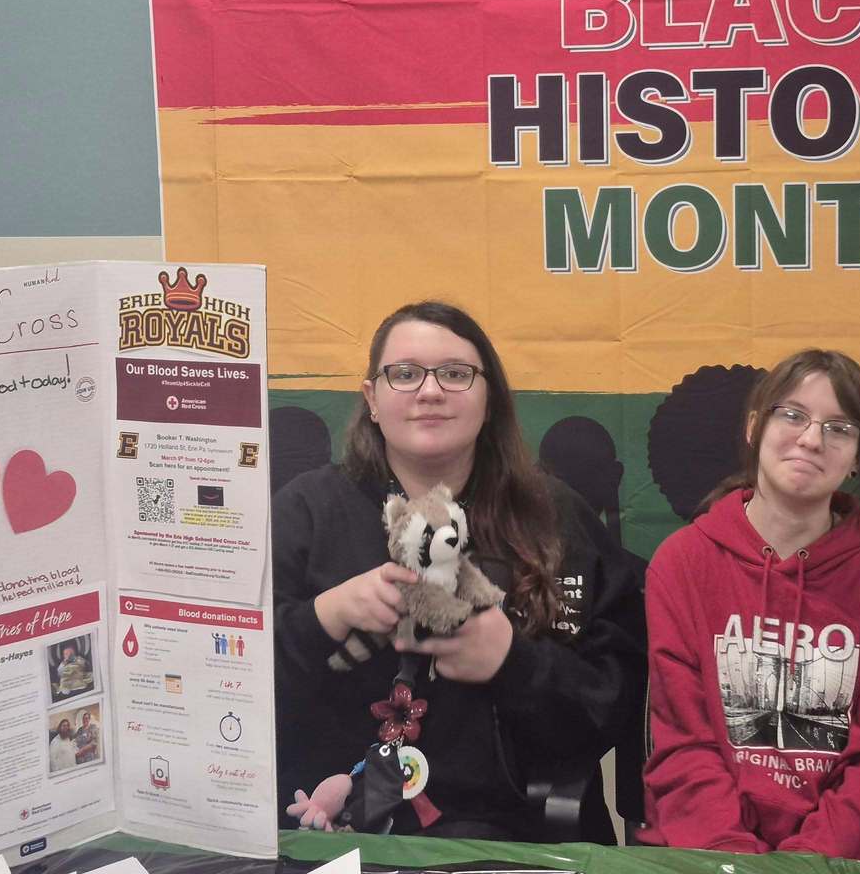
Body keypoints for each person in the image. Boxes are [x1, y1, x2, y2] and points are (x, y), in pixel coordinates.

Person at [272, 300, 645, 840]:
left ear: (489, 398)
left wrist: (512, 661)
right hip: (332, 825)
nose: (429, 391)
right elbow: (229, 686)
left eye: (455, 373)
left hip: (512, 830)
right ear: (371, 400)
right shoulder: (308, 510)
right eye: (403, 374)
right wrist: (323, 617)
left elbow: (615, 702)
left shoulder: (554, 516)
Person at [642, 348, 860, 860]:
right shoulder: (682, 563)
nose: (811, 439)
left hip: (840, 858)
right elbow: (683, 748)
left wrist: (803, 866)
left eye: (839, 428)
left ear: (857, 460)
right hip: (705, 854)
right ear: (756, 426)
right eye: (793, 414)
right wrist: (734, 860)